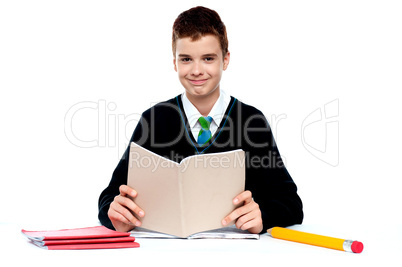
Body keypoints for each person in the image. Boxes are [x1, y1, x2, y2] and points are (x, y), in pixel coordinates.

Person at [98, 6, 303, 234]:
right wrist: (115, 214)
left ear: (225, 60)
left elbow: (291, 203)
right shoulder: (154, 120)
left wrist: (263, 215)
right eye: (186, 59)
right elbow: (109, 196)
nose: (196, 70)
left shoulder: (252, 121)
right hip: (162, 251)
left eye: (208, 58)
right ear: (174, 63)